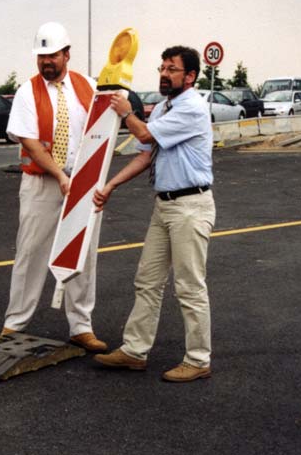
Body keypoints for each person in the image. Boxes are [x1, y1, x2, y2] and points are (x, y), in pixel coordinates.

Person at [92, 45, 216, 382]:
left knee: (189, 286)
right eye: (162, 67)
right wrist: (110, 185)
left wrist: (125, 111)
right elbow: (145, 154)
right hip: (165, 205)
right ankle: (134, 350)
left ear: (189, 76)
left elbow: (144, 133)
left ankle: (198, 359)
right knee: (147, 280)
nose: (164, 74)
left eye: (172, 69)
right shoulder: (163, 108)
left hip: (190, 206)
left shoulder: (191, 107)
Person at [0, 22, 107, 353]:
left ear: (66, 54)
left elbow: (103, 124)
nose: (46, 62)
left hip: (84, 184)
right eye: (41, 56)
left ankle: (81, 327)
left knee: (82, 254)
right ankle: (14, 324)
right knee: (31, 252)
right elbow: (30, 142)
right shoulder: (26, 92)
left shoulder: (88, 86)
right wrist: (60, 175)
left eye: (52, 56)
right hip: (42, 182)